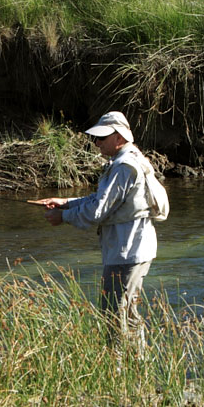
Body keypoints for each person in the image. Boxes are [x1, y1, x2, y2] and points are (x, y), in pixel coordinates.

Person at [35, 111, 158, 351]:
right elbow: (101, 200)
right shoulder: (129, 159)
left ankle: (119, 371)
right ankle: (136, 370)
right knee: (126, 314)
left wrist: (63, 217)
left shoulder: (123, 167)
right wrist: (67, 202)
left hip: (126, 252)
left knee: (114, 316)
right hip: (133, 249)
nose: (97, 143)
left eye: (102, 138)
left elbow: (97, 212)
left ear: (119, 138)